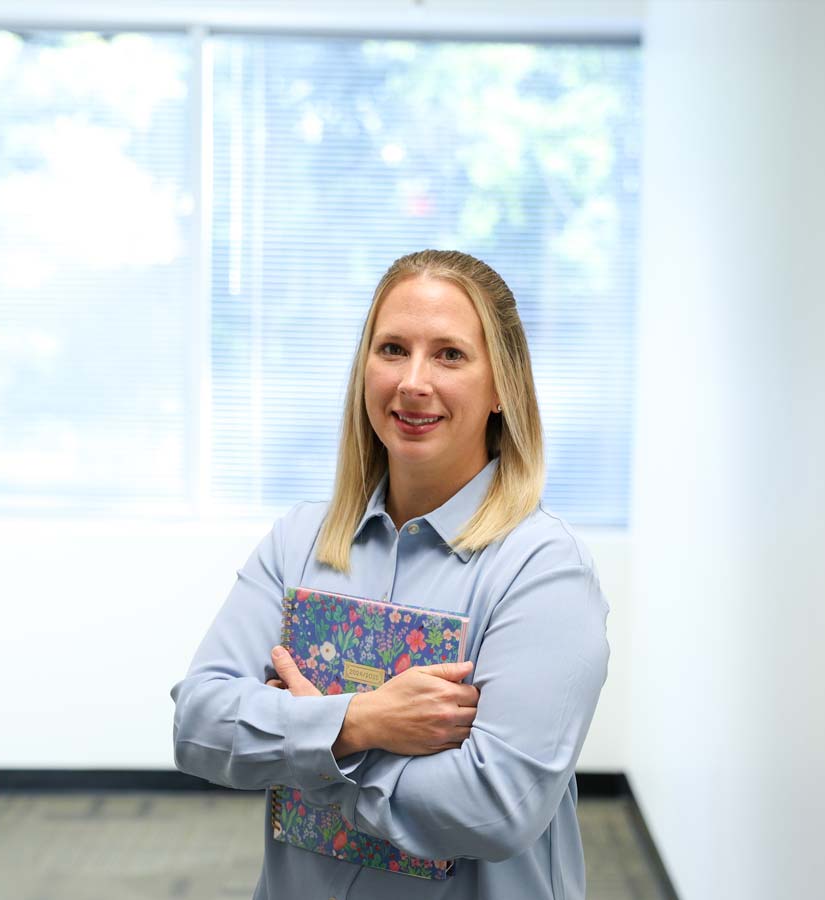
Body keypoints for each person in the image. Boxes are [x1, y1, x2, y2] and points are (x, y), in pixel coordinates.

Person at [171, 249, 610, 899]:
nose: (413, 381)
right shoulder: (301, 542)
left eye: (450, 355)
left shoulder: (543, 572)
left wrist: (309, 747)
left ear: (501, 388)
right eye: (392, 349)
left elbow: (493, 807)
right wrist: (363, 722)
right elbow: (200, 725)